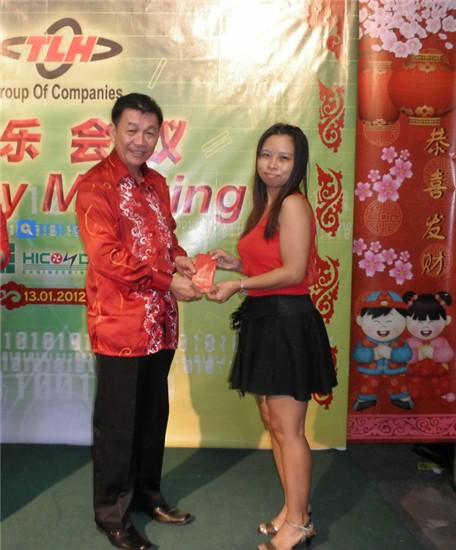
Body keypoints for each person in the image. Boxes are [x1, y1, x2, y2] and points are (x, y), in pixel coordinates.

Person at [75, 93, 203, 550]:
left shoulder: (157, 184)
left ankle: (149, 495)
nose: (140, 140)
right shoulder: (95, 186)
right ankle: (111, 514)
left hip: (160, 324)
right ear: (113, 131)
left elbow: (166, 239)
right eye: (131, 130)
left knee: (152, 417)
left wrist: (180, 258)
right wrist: (167, 281)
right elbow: (106, 257)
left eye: (150, 132)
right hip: (119, 326)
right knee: (117, 425)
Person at [207, 123, 337, 550]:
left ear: (298, 164)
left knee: (288, 428)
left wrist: (238, 284)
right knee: (274, 422)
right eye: (266, 155)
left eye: (284, 158)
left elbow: (294, 272)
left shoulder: (293, 204)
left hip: (287, 323)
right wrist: (236, 265)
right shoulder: (266, 204)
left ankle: (299, 524)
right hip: (267, 320)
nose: (272, 165)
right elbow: (271, 265)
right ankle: (293, 509)